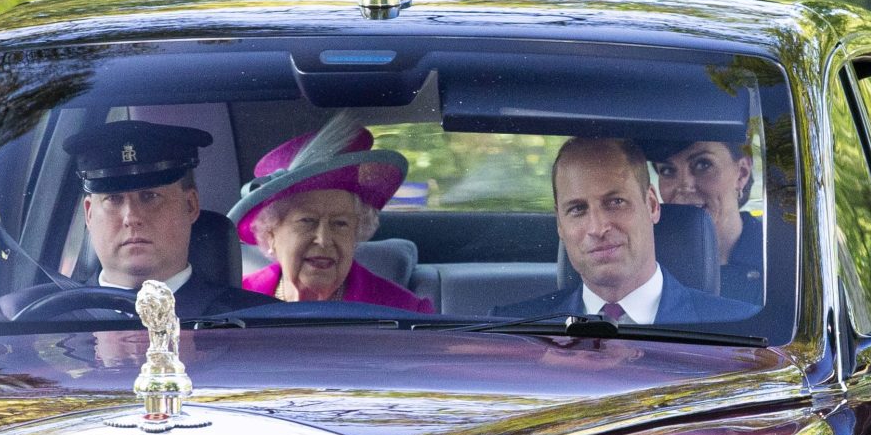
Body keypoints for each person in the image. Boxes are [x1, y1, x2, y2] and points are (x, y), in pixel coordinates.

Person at [0, 120, 275, 321]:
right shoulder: (19, 317)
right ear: (88, 213)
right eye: (112, 199)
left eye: (149, 197)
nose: (131, 217)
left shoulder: (262, 323)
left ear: (190, 205)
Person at [493, 137, 758, 324]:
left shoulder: (741, 326)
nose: (597, 228)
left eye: (615, 202)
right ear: (560, 225)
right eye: (577, 209)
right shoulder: (512, 329)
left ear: (652, 205)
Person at [227, 114, 434, 313]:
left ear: (356, 233)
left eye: (340, 223)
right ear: (270, 233)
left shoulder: (405, 311)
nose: (324, 240)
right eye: (307, 221)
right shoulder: (233, 303)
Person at [650, 140, 763, 305]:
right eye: (667, 170)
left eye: (703, 165)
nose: (684, 186)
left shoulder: (785, 260)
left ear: (742, 173)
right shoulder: (644, 259)